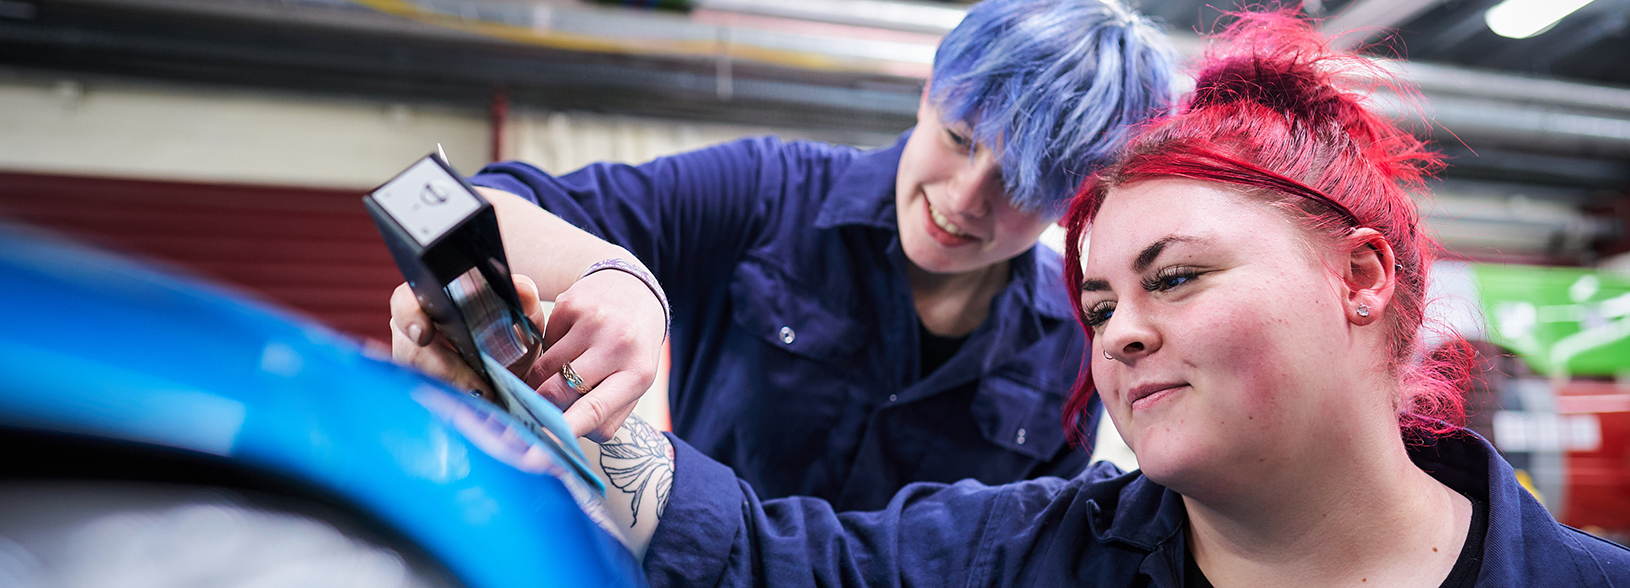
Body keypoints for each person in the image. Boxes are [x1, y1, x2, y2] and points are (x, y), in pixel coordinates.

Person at [551, 11, 1629, 586]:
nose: (1116, 336)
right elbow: (769, 558)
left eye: (1172, 277)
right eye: (1101, 303)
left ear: (1357, 278)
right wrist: (568, 335)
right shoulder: (1029, 551)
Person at [391, 0, 1179, 510]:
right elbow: (451, 207)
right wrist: (620, 276)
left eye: (1018, 184)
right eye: (958, 140)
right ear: (928, 92)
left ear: (1073, 196)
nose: (967, 198)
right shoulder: (768, 193)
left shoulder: (1078, 340)